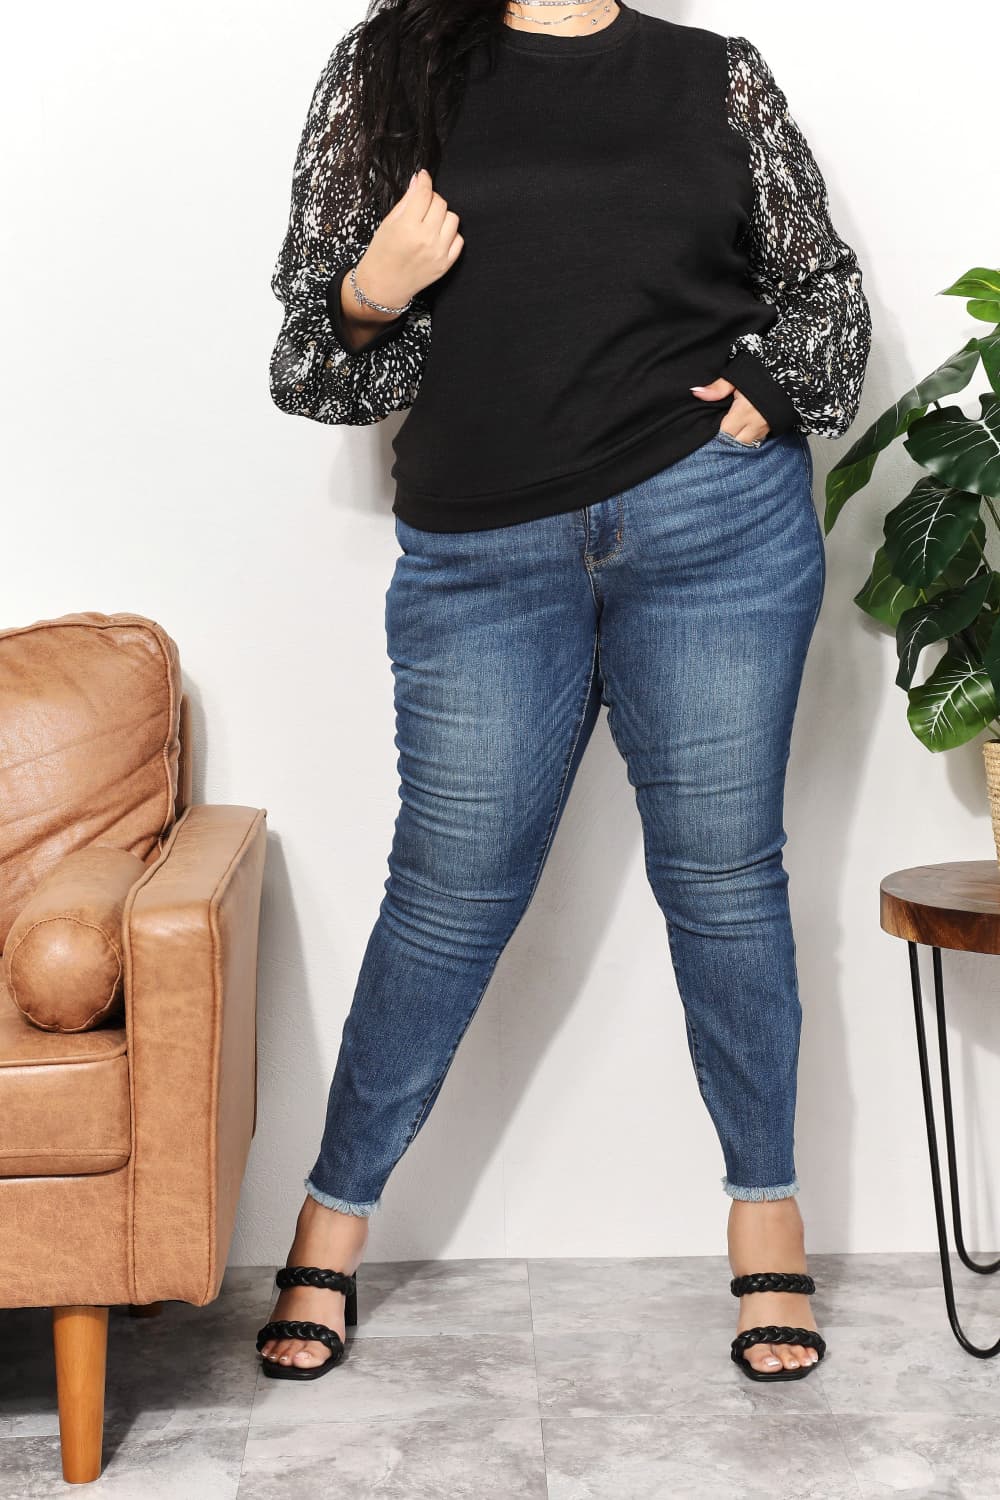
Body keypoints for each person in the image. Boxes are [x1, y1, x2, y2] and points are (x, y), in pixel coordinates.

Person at [255, 0, 872, 1384]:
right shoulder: (391, 65)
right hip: (484, 553)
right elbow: (311, 369)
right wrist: (371, 291)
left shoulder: (716, 75)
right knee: (449, 891)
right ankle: (330, 1221)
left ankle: (765, 1215)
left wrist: (764, 394)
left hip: (715, 525)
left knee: (725, 878)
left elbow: (827, 297)